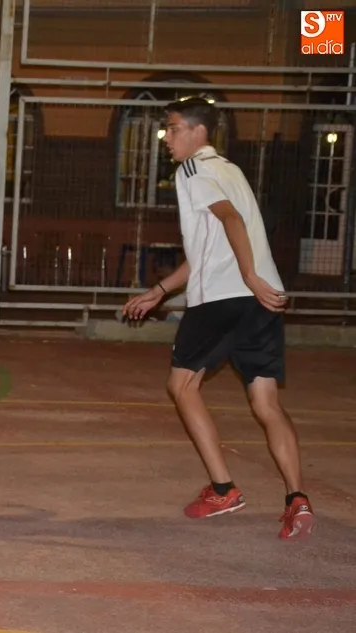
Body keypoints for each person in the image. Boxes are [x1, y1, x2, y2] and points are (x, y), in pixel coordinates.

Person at [123, 97, 314, 542]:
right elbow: (210, 249)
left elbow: (230, 221)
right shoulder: (231, 171)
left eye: (173, 128)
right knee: (266, 403)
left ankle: (224, 489)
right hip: (262, 300)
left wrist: (247, 276)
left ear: (198, 132)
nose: (167, 138)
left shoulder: (191, 170)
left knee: (181, 386)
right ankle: (297, 499)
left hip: (225, 297)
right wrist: (160, 291)